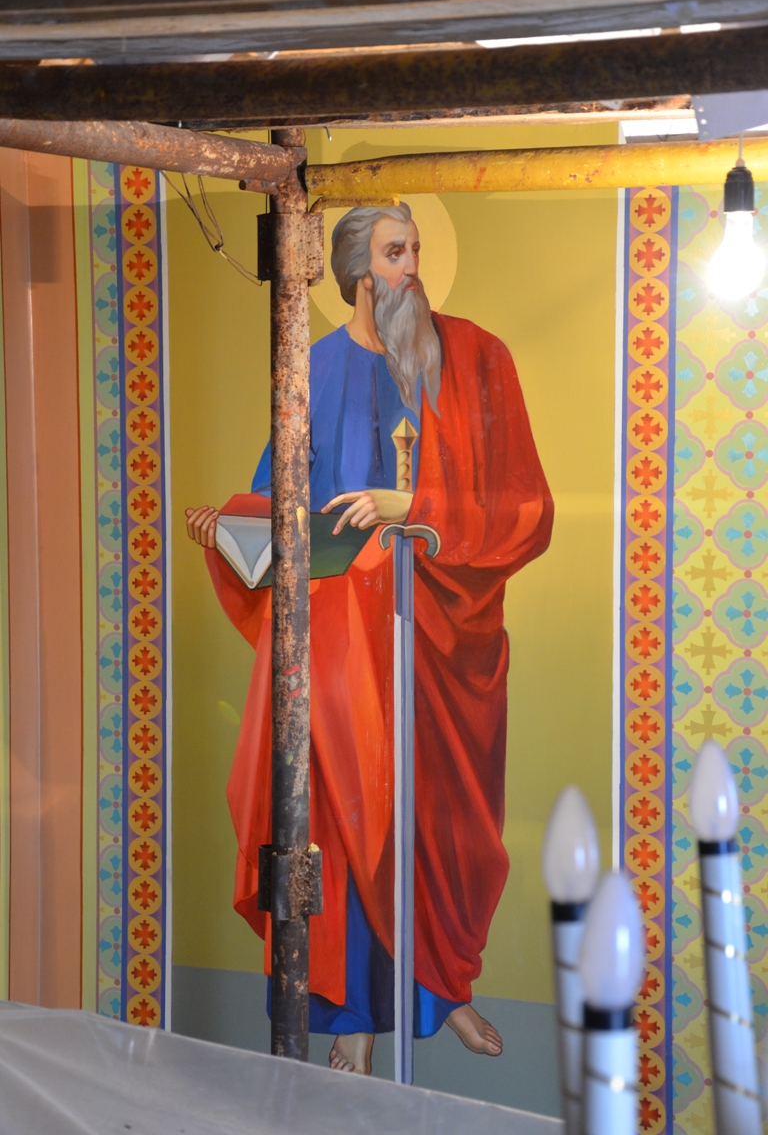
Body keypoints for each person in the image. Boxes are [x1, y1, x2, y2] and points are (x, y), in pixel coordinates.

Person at [186, 203, 554, 1075]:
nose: (411, 267)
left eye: (416, 250)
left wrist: (413, 506)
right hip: (341, 641)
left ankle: (441, 990)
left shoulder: (477, 358)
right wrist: (226, 529)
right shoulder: (311, 370)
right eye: (394, 254)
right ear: (356, 273)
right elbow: (282, 504)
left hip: (441, 641)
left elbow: (526, 510)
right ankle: (350, 1012)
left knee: (434, 818)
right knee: (342, 825)